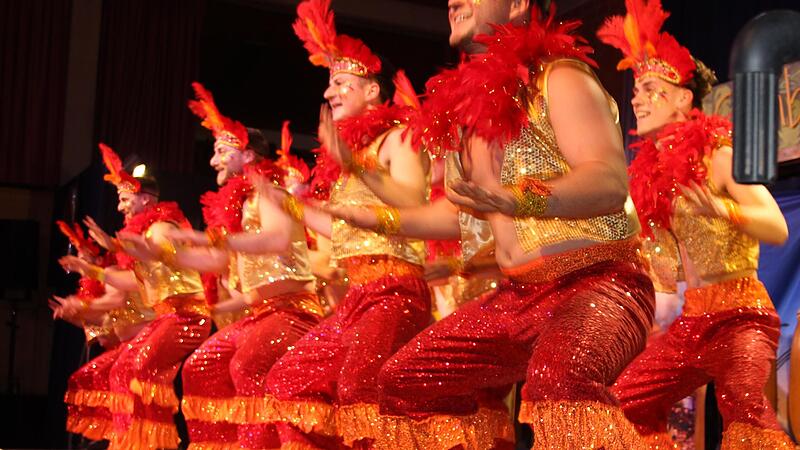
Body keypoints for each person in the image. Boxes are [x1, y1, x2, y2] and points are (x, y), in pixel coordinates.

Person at [324, 1, 654, 447]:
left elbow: (608, 180)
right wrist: (377, 219)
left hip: (598, 283)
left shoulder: (560, 77)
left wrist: (518, 198)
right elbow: (459, 213)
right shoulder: (472, 114)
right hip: (517, 296)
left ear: (517, 4)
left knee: (555, 384)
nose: (453, 2)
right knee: (403, 381)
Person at [597, 0, 793, 447]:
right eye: (636, 90)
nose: (637, 98)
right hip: (691, 322)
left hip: (741, 316)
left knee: (746, 415)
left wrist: (724, 210)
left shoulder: (718, 156)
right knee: (619, 405)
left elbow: (777, 226)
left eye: (650, 88)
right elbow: (662, 262)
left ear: (684, 98)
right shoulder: (654, 175)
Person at [251, 0, 432, 447]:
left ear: (373, 91)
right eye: (329, 85)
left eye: (340, 83)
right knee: (289, 381)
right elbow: (346, 233)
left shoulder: (399, 139)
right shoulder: (346, 166)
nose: (329, 93)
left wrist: (355, 162)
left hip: (395, 290)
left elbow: (411, 203)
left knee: (358, 395)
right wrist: (290, 206)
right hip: (357, 295)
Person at [165, 83, 323, 450]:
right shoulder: (235, 209)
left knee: (247, 365)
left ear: (248, 156)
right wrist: (169, 256)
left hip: (292, 311)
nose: (213, 160)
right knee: (200, 367)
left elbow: (277, 239)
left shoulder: (270, 193)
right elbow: (218, 260)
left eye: (222, 151)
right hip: (260, 313)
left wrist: (214, 240)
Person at [66, 143, 211, 449]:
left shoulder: (160, 227)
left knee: (142, 367)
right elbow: (133, 281)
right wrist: (92, 271)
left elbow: (157, 252)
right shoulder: (144, 233)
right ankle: (129, 440)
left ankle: (150, 443)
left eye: (124, 198)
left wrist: (116, 247)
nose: (120, 208)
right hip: (168, 315)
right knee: (121, 369)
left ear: (145, 198)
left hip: (186, 314)